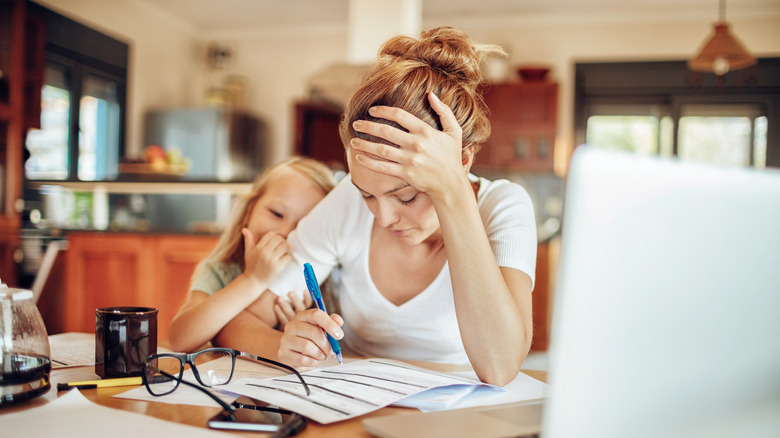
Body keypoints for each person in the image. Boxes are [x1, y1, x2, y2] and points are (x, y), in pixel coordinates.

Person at [220, 26, 537, 387]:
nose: (383, 217)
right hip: (354, 403)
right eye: (367, 195)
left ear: (463, 160)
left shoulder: (502, 206)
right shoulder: (346, 203)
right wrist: (284, 345)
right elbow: (238, 321)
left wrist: (454, 194)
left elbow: (500, 367)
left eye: (407, 196)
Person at [167, 157, 337, 353]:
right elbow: (179, 339)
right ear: (249, 210)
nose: (286, 232)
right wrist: (253, 279)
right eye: (276, 213)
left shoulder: (324, 281)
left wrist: (292, 332)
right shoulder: (221, 271)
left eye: (302, 227)